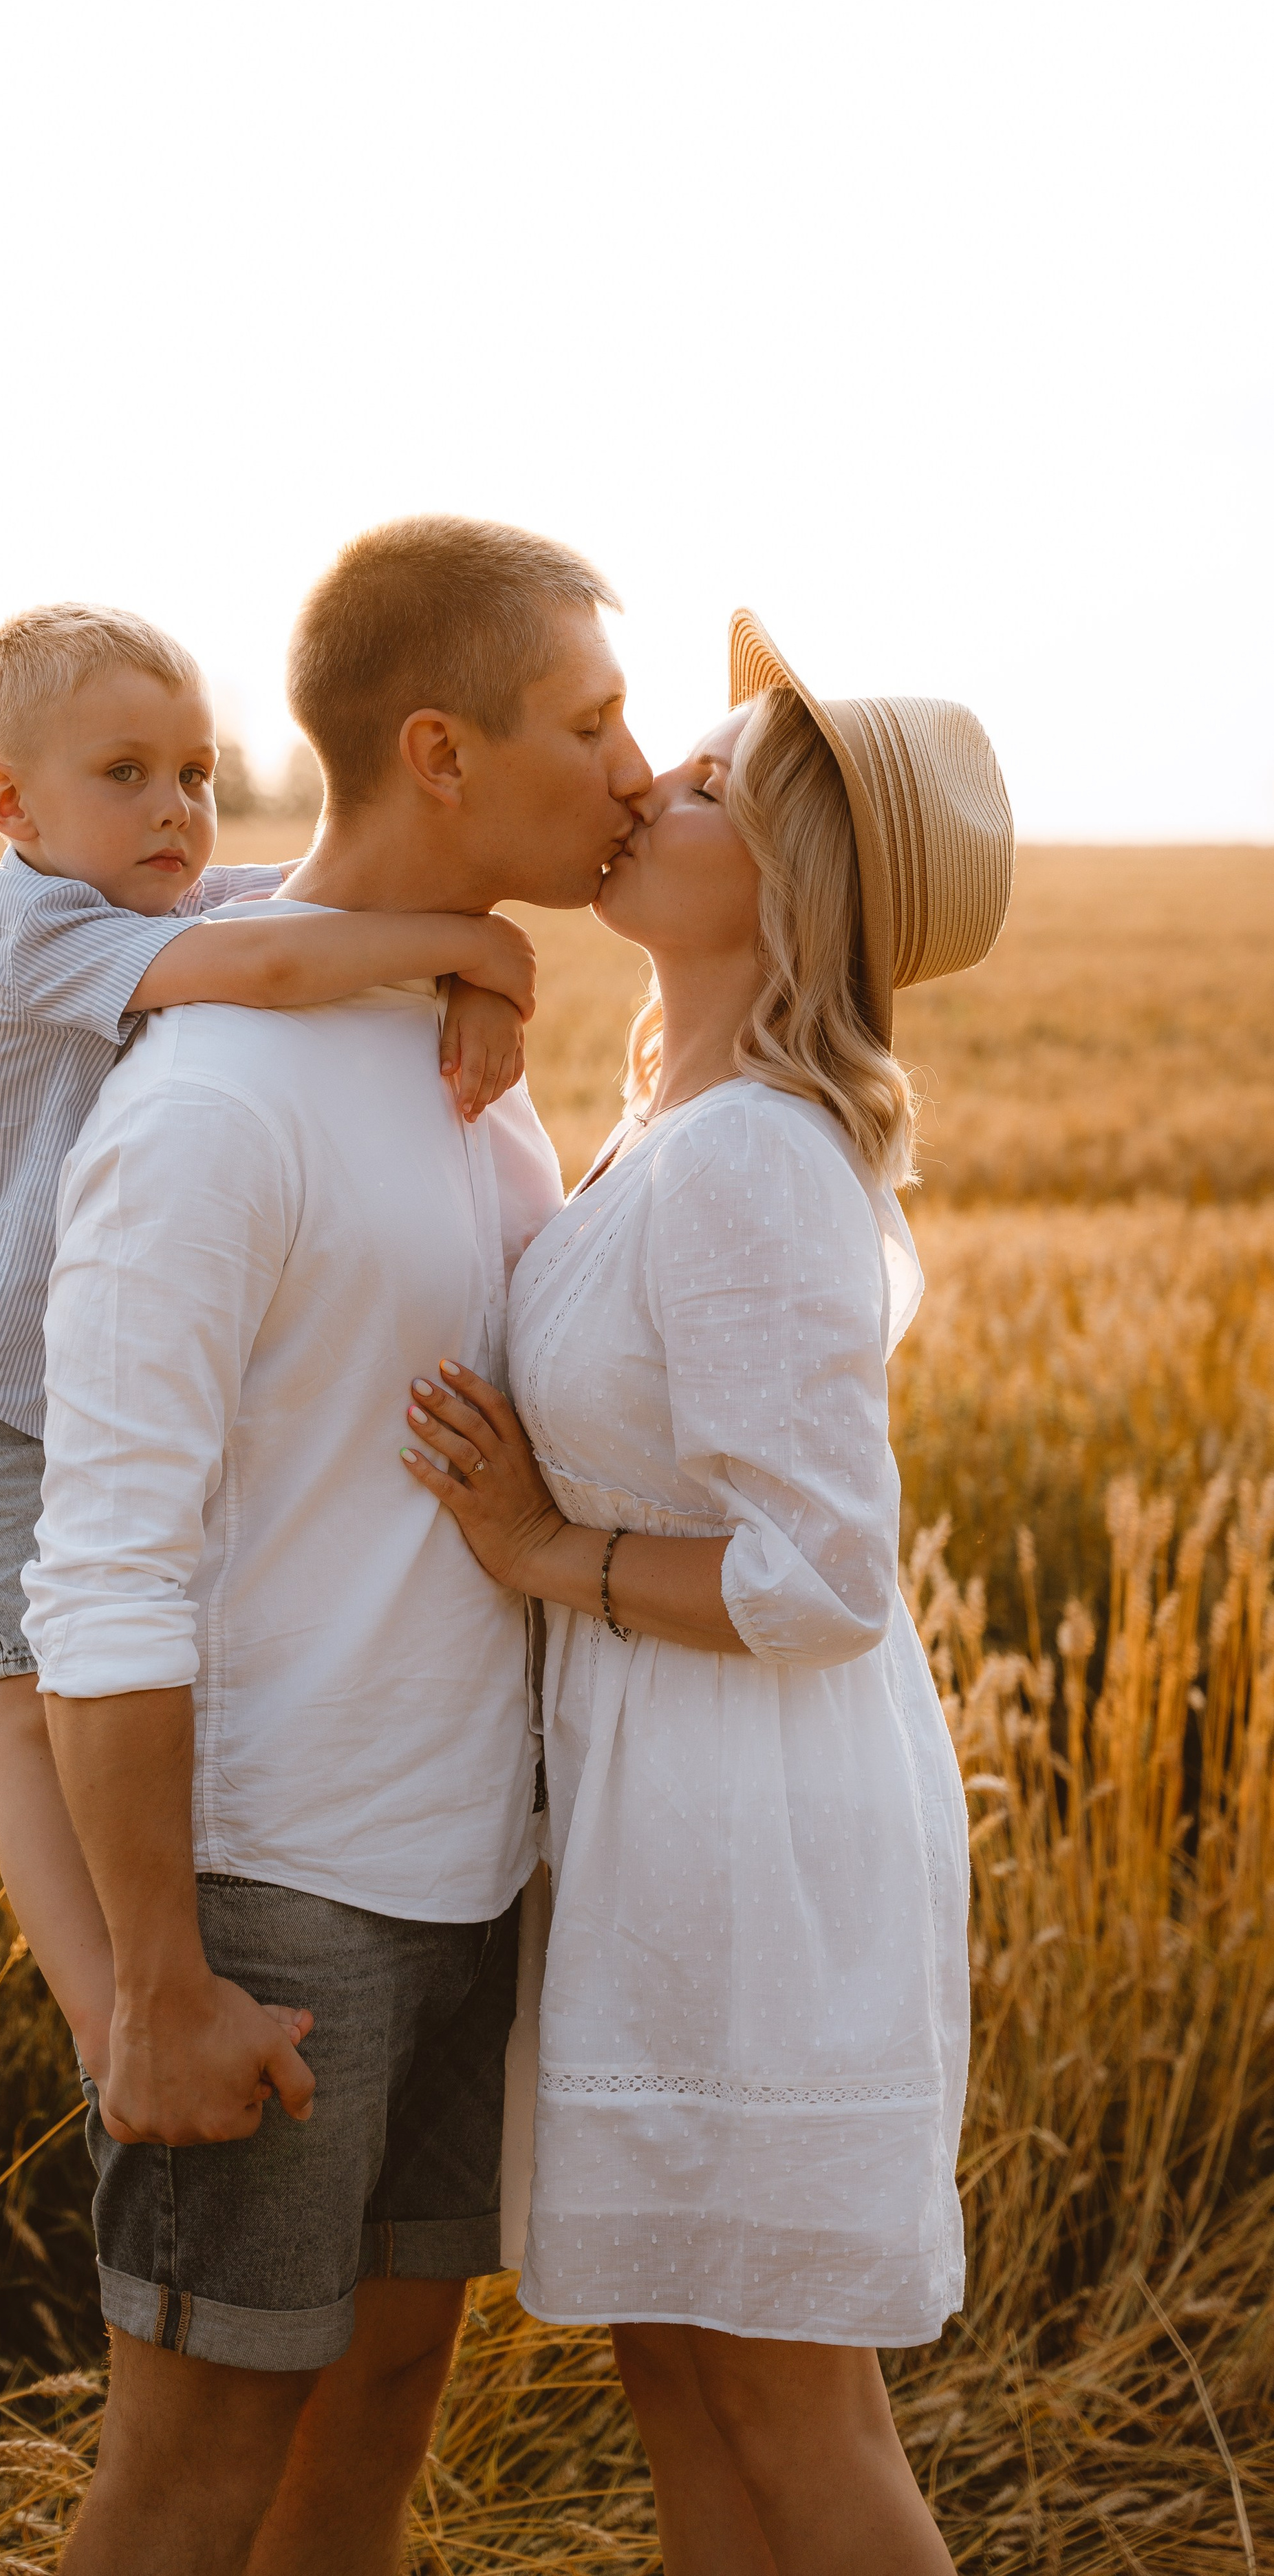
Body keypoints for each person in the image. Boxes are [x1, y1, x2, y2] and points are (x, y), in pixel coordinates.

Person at [21, 519, 653, 2575]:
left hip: (470, 1867)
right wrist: (157, 1980)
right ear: (440, 750)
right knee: (190, 2481)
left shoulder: (463, 1054)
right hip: (273, 1900)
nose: (634, 767)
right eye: (590, 720)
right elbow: (101, 1566)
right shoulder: (212, 1105)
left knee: (375, 2428)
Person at [398, 612, 1013, 2576]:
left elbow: (823, 1574)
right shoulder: (678, 1128)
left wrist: (541, 1554)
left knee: (785, 2407)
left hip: (758, 1841)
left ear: (792, 879)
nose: (642, 778)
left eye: (707, 780)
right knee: (680, 2369)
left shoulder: (749, 1157)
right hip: (674, 1814)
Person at [0, 600, 539, 2083]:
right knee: (24, 1696)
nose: (175, 808)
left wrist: (468, 971)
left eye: (196, 773)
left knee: (68, 1658)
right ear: (10, 806)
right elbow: (283, 969)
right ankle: (117, 2029)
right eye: (125, 775)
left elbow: (318, 906)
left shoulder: (176, 899)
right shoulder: (28, 927)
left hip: (41, 1362)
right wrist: (477, 945)